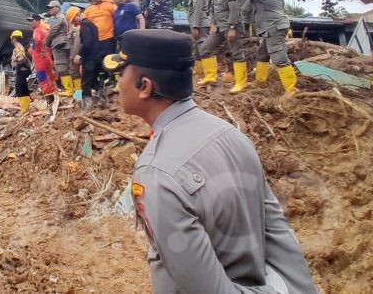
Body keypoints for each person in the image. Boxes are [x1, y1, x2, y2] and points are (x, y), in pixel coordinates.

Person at [102, 28, 318, 294]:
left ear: (144, 86)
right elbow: (277, 235)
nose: (116, 84)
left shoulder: (157, 173)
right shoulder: (229, 135)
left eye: (121, 74)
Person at [206, 0, 297, 95]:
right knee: (261, 54)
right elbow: (246, 9)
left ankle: (292, 90)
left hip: (274, 27)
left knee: (279, 57)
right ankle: (260, 82)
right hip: (271, 27)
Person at [200, 0, 247, 92]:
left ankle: (241, 83)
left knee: (236, 53)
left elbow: (234, 10)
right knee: (204, 49)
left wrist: (232, 28)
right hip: (219, 28)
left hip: (231, 27)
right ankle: (211, 77)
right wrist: (213, 24)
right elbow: (212, 10)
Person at [83, 0, 117, 99]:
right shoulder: (88, 10)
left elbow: (117, 18)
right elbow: (85, 26)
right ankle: (98, 86)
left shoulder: (110, 6)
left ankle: (111, 84)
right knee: (97, 64)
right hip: (95, 42)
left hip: (109, 38)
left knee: (109, 62)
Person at [28, 13, 59, 107]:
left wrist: (38, 50)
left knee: (43, 79)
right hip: (47, 58)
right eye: (29, 21)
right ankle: (56, 95)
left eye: (31, 20)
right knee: (51, 77)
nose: (30, 23)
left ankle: (51, 102)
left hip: (40, 60)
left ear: (37, 21)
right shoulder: (44, 31)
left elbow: (36, 41)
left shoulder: (37, 31)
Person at [72, 9, 100, 110]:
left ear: (77, 16)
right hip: (96, 56)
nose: (74, 23)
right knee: (93, 80)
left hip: (90, 58)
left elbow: (87, 42)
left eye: (73, 21)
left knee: (85, 82)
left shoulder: (85, 26)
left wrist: (79, 54)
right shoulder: (91, 24)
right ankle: (101, 100)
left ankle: (87, 106)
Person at [45, 0, 74, 96]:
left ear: (57, 8)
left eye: (51, 7)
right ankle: (71, 90)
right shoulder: (59, 17)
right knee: (64, 66)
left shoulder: (59, 18)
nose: (50, 10)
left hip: (59, 43)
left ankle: (69, 90)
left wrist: (46, 42)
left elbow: (53, 31)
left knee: (61, 66)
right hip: (61, 43)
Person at [186, 0, 210, 78]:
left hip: (201, 25)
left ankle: (209, 75)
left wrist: (195, 27)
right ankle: (199, 72)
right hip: (196, 24)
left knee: (203, 48)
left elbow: (198, 10)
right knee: (196, 49)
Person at [10, 30, 32, 114]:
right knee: (23, 88)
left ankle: (24, 109)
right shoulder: (19, 46)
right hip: (22, 70)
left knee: (20, 89)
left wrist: (15, 59)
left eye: (12, 38)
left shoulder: (18, 47)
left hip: (21, 70)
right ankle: (26, 108)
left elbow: (21, 59)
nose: (11, 40)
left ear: (14, 38)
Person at [65, 6, 83, 95]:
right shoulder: (71, 30)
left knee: (75, 73)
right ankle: (77, 91)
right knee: (73, 73)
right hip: (71, 55)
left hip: (73, 56)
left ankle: (78, 92)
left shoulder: (75, 30)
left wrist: (73, 56)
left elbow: (77, 44)